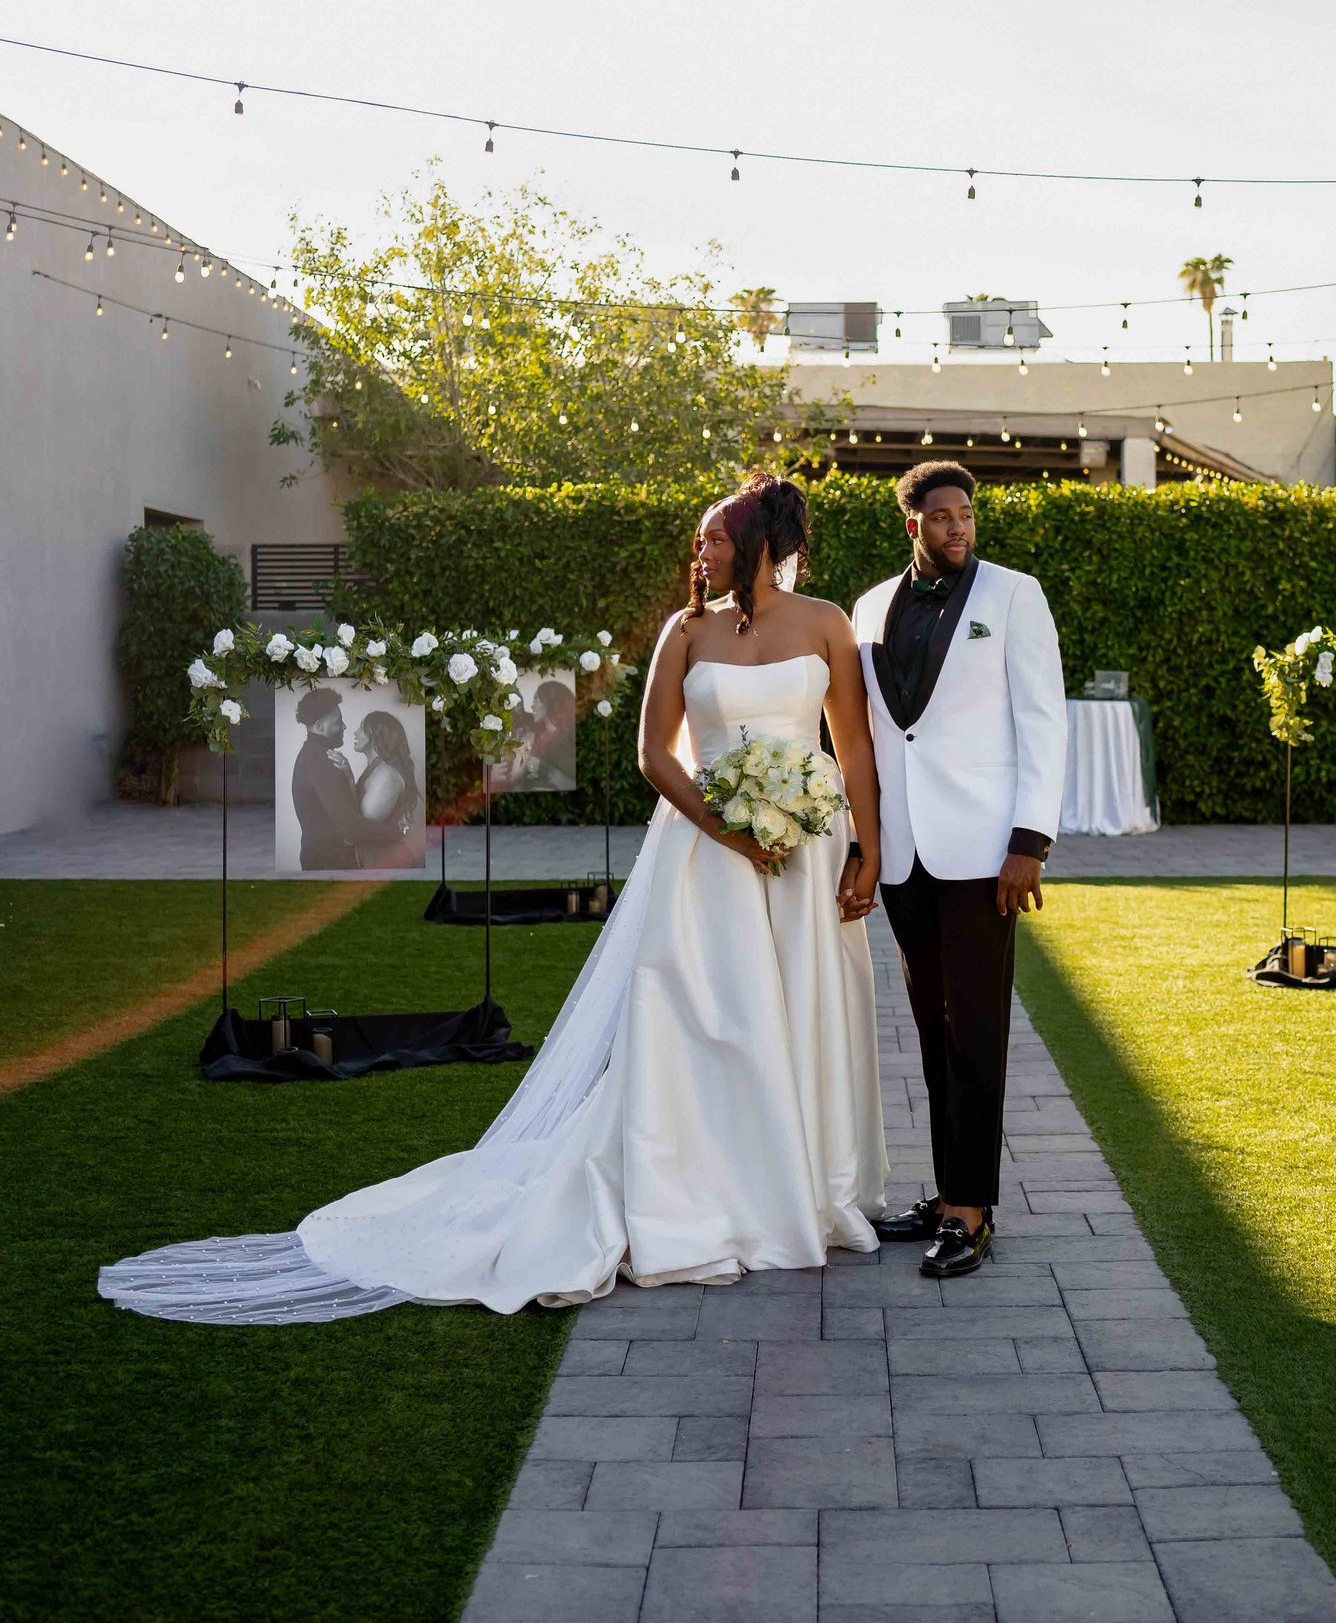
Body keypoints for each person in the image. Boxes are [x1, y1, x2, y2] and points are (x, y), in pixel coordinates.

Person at [97, 474, 890, 1323]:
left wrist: (867, 853)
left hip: (806, 852)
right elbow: (654, 755)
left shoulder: (827, 626)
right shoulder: (684, 632)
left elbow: (852, 746)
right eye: (700, 539)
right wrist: (727, 828)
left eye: (717, 539)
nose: (701, 553)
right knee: (701, 1018)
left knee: (804, 1010)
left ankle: (803, 1188)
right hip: (705, 854)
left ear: (763, 542)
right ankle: (707, 1195)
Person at [851, 461, 1067, 1279]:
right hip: (906, 852)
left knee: (976, 1030)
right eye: (940, 518)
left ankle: (973, 1211)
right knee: (935, 1029)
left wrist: (1030, 843)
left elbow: (1043, 722)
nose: (957, 528)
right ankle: (945, 1195)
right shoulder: (871, 607)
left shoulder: (1015, 595)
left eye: (966, 515)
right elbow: (869, 737)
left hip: (985, 854)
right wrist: (861, 844)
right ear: (913, 525)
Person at [290, 687, 375, 870]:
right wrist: (397, 831)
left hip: (321, 860)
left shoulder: (311, 755)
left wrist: (350, 779)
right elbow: (351, 829)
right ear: (319, 725)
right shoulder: (320, 760)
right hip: (331, 865)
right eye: (338, 721)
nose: (344, 726)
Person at [352, 710, 424, 869]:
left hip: (389, 864)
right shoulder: (375, 769)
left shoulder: (386, 774)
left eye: (362, 727)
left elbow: (364, 825)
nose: (355, 732)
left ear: (377, 735)